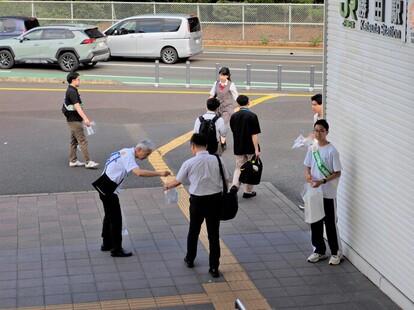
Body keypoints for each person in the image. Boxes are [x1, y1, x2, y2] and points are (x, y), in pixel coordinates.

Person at [162, 134, 231, 278]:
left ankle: (190, 258)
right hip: (215, 200)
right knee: (213, 234)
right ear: (206, 145)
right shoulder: (218, 160)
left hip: (197, 201)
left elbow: (178, 181)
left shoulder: (189, 163)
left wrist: (167, 186)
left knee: (194, 230)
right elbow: (226, 180)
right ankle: (214, 267)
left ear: (192, 146)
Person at [97, 139, 171, 257]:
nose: (146, 157)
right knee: (116, 220)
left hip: (102, 183)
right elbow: (139, 173)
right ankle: (116, 249)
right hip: (109, 188)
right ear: (139, 150)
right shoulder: (129, 157)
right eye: (146, 154)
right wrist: (160, 173)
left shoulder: (124, 151)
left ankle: (106, 243)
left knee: (109, 216)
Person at [304, 119, 343, 265]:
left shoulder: (332, 151)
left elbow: (338, 172)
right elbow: (308, 166)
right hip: (314, 191)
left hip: (328, 192)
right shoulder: (312, 148)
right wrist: (308, 176)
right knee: (315, 221)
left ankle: (336, 253)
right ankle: (319, 250)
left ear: (327, 132)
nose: (318, 133)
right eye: (316, 130)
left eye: (321, 130)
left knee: (330, 223)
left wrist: (324, 181)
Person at [63, 71, 99, 169]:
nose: (79, 81)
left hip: (72, 120)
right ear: (73, 80)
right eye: (78, 79)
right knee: (83, 141)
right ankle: (88, 162)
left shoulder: (71, 90)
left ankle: (73, 161)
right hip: (74, 120)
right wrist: (86, 119)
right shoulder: (72, 92)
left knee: (74, 141)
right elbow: (77, 107)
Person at [229, 95, 261, 199]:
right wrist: (256, 148)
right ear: (248, 102)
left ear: (238, 104)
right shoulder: (252, 116)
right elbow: (254, 135)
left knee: (239, 167)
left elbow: (233, 131)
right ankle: (248, 191)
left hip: (238, 146)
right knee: (252, 168)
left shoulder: (234, 116)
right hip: (250, 147)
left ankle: (234, 186)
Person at [209, 66, 238, 150]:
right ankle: (218, 139)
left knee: (223, 123)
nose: (221, 77)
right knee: (215, 124)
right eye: (220, 75)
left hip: (227, 108)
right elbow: (211, 94)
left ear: (227, 76)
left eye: (223, 75)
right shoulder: (216, 83)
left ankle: (223, 141)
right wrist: (209, 105)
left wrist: (241, 106)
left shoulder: (231, 85)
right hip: (217, 108)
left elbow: (236, 97)